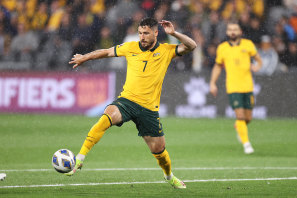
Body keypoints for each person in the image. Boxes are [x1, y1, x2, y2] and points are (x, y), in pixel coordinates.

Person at [66, 17, 197, 189]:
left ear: (156, 33)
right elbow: (105, 52)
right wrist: (84, 58)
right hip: (127, 100)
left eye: (146, 33)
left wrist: (174, 33)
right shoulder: (130, 47)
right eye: (140, 33)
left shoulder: (166, 50)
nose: (142, 37)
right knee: (106, 118)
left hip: (149, 109)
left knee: (159, 151)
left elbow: (191, 46)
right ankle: (79, 159)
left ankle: (169, 176)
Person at [209, 21, 262, 154]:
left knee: (248, 118)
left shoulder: (248, 44)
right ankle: (247, 144)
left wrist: (257, 66)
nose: (233, 31)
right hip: (233, 87)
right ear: (227, 32)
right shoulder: (222, 48)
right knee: (240, 116)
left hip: (248, 86)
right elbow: (217, 66)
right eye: (230, 29)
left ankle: (239, 127)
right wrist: (212, 83)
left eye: (235, 29)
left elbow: (258, 59)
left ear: (240, 32)